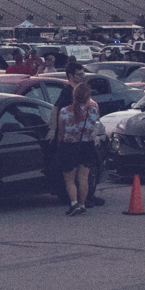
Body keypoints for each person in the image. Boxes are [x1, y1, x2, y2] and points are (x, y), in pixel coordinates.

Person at [55, 82, 101, 216]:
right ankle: (82, 204)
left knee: (69, 178)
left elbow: (61, 132)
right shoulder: (93, 110)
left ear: (74, 95)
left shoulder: (65, 111)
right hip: (87, 145)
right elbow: (95, 127)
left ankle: (74, 203)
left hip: (69, 146)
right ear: (88, 96)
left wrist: (59, 144)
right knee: (83, 177)